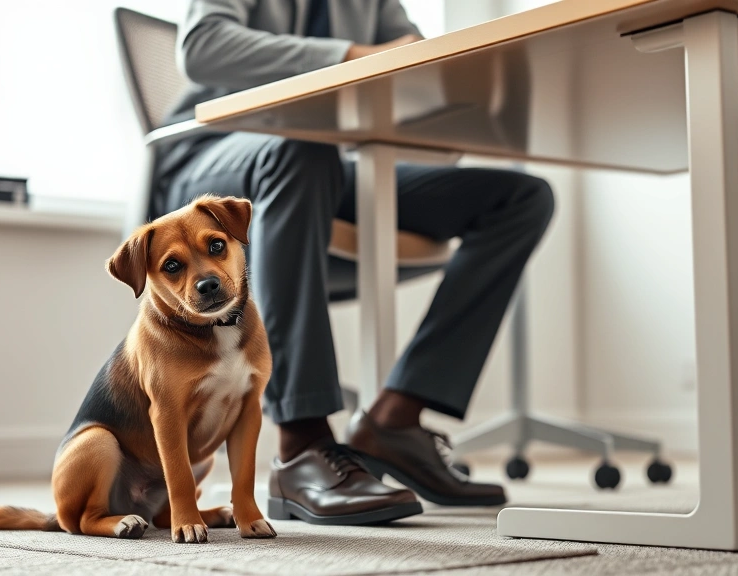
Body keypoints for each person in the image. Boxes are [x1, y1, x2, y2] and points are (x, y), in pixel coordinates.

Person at [154, 0, 554, 526]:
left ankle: (395, 419)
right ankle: (300, 445)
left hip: (327, 161)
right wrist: (352, 55)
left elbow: (413, 60)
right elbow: (203, 47)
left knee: (520, 198)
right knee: (300, 153)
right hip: (213, 158)